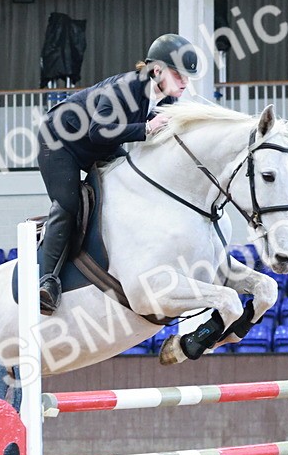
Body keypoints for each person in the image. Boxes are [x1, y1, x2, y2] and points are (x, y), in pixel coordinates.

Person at [35, 33, 200, 314]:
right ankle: (46, 280)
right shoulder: (125, 87)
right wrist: (147, 129)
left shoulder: (166, 101)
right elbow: (98, 131)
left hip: (98, 145)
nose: (185, 81)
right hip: (59, 141)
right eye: (178, 74)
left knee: (132, 184)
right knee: (69, 205)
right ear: (156, 70)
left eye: (187, 76)